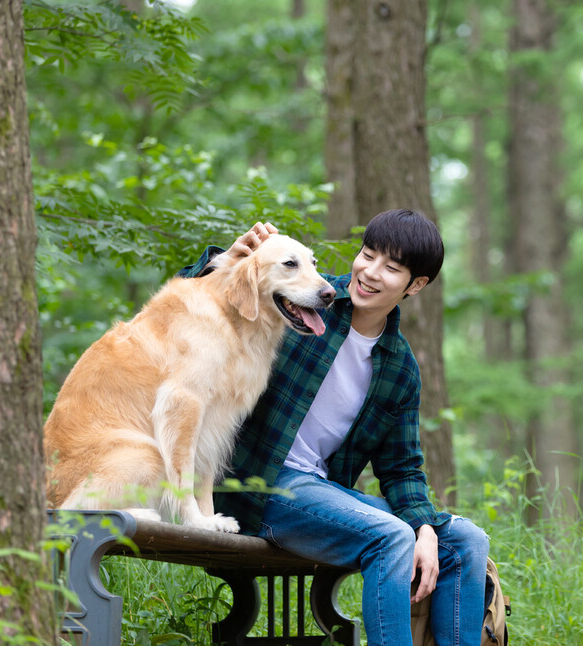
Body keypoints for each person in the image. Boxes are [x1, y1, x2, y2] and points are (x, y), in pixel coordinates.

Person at [181, 209, 490, 645]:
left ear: (415, 285)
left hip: (319, 491)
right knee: (390, 537)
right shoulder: (303, 298)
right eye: (367, 255)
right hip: (255, 486)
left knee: (464, 540)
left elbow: (402, 468)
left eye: (391, 268)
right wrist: (224, 261)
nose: (370, 272)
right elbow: (191, 307)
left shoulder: (399, 368)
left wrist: (424, 527)